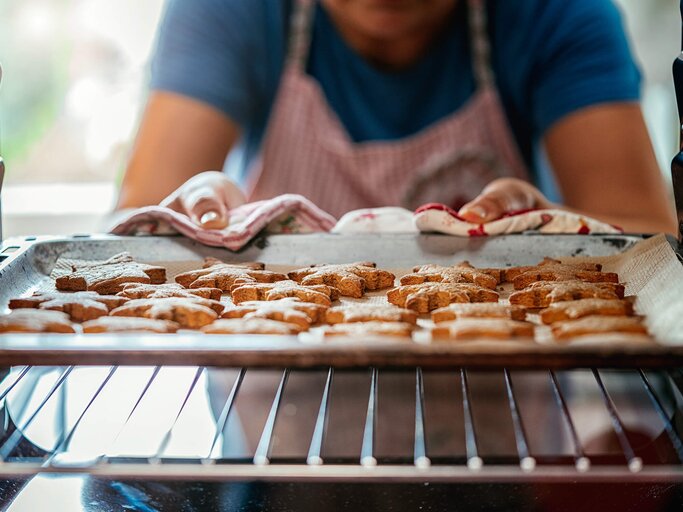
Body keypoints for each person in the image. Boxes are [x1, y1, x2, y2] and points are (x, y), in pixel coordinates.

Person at [117, 0, 676, 234]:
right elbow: (133, 233)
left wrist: (552, 234)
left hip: (508, 425)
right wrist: (190, 220)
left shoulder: (556, 12)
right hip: (268, 425)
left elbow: (647, 244)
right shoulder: (228, 11)